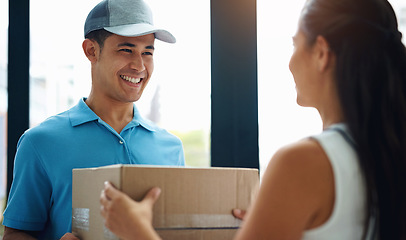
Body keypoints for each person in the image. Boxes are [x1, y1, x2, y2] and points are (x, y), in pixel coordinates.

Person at [99, 0, 406, 239]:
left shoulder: (303, 162)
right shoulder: (388, 149)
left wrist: (136, 231)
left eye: (295, 44)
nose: (290, 61)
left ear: (322, 53)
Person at [2, 0, 185, 239]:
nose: (139, 65)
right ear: (91, 50)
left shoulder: (171, 147)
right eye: (126, 50)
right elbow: (15, 233)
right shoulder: (40, 142)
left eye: (147, 52)